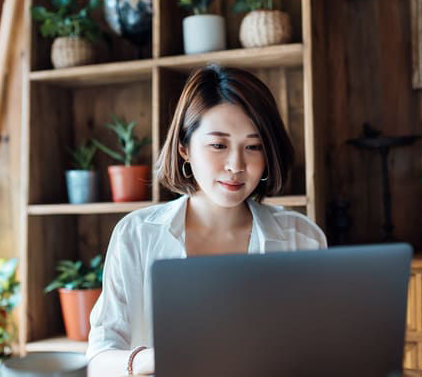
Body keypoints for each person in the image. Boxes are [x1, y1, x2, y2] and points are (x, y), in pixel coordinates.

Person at [86, 65, 327, 376]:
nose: (236, 165)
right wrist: (152, 358)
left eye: (253, 147)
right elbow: (99, 359)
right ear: (184, 148)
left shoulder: (302, 237)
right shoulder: (137, 234)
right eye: (218, 145)